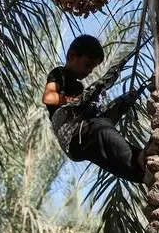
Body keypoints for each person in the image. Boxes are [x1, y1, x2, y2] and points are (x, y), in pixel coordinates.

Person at [42, 34, 145, 182]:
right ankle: (139, 158)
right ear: (72, 56)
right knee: (101, 127)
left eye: (93, 67)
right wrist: (71, 100)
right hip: (72, 135)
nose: (89, 71)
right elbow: (48, 97)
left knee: (110, 156)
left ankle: (143, 173)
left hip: (83, 139)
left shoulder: (79, 87)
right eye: (88, 64)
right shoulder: (59, 73)